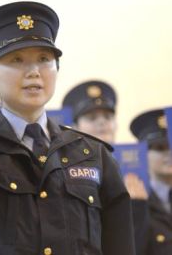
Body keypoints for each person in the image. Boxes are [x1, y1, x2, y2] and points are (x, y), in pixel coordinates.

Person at [0, 1, 135, 254]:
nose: (34, 71)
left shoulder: (93, 154)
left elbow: (119, 243)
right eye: (16, 59)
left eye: (44, 59)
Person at [63, 80, 149, 249]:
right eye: (91, 117)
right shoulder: (63, 168)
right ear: (74, 127)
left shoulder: (139, 171)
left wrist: (137, 208)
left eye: (108, 117)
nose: (101, 123)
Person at [130, 109, 172, 255]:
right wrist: (137, 207)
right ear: (144, 154)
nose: (169, 154)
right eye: (160, 148)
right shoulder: (135, 201)